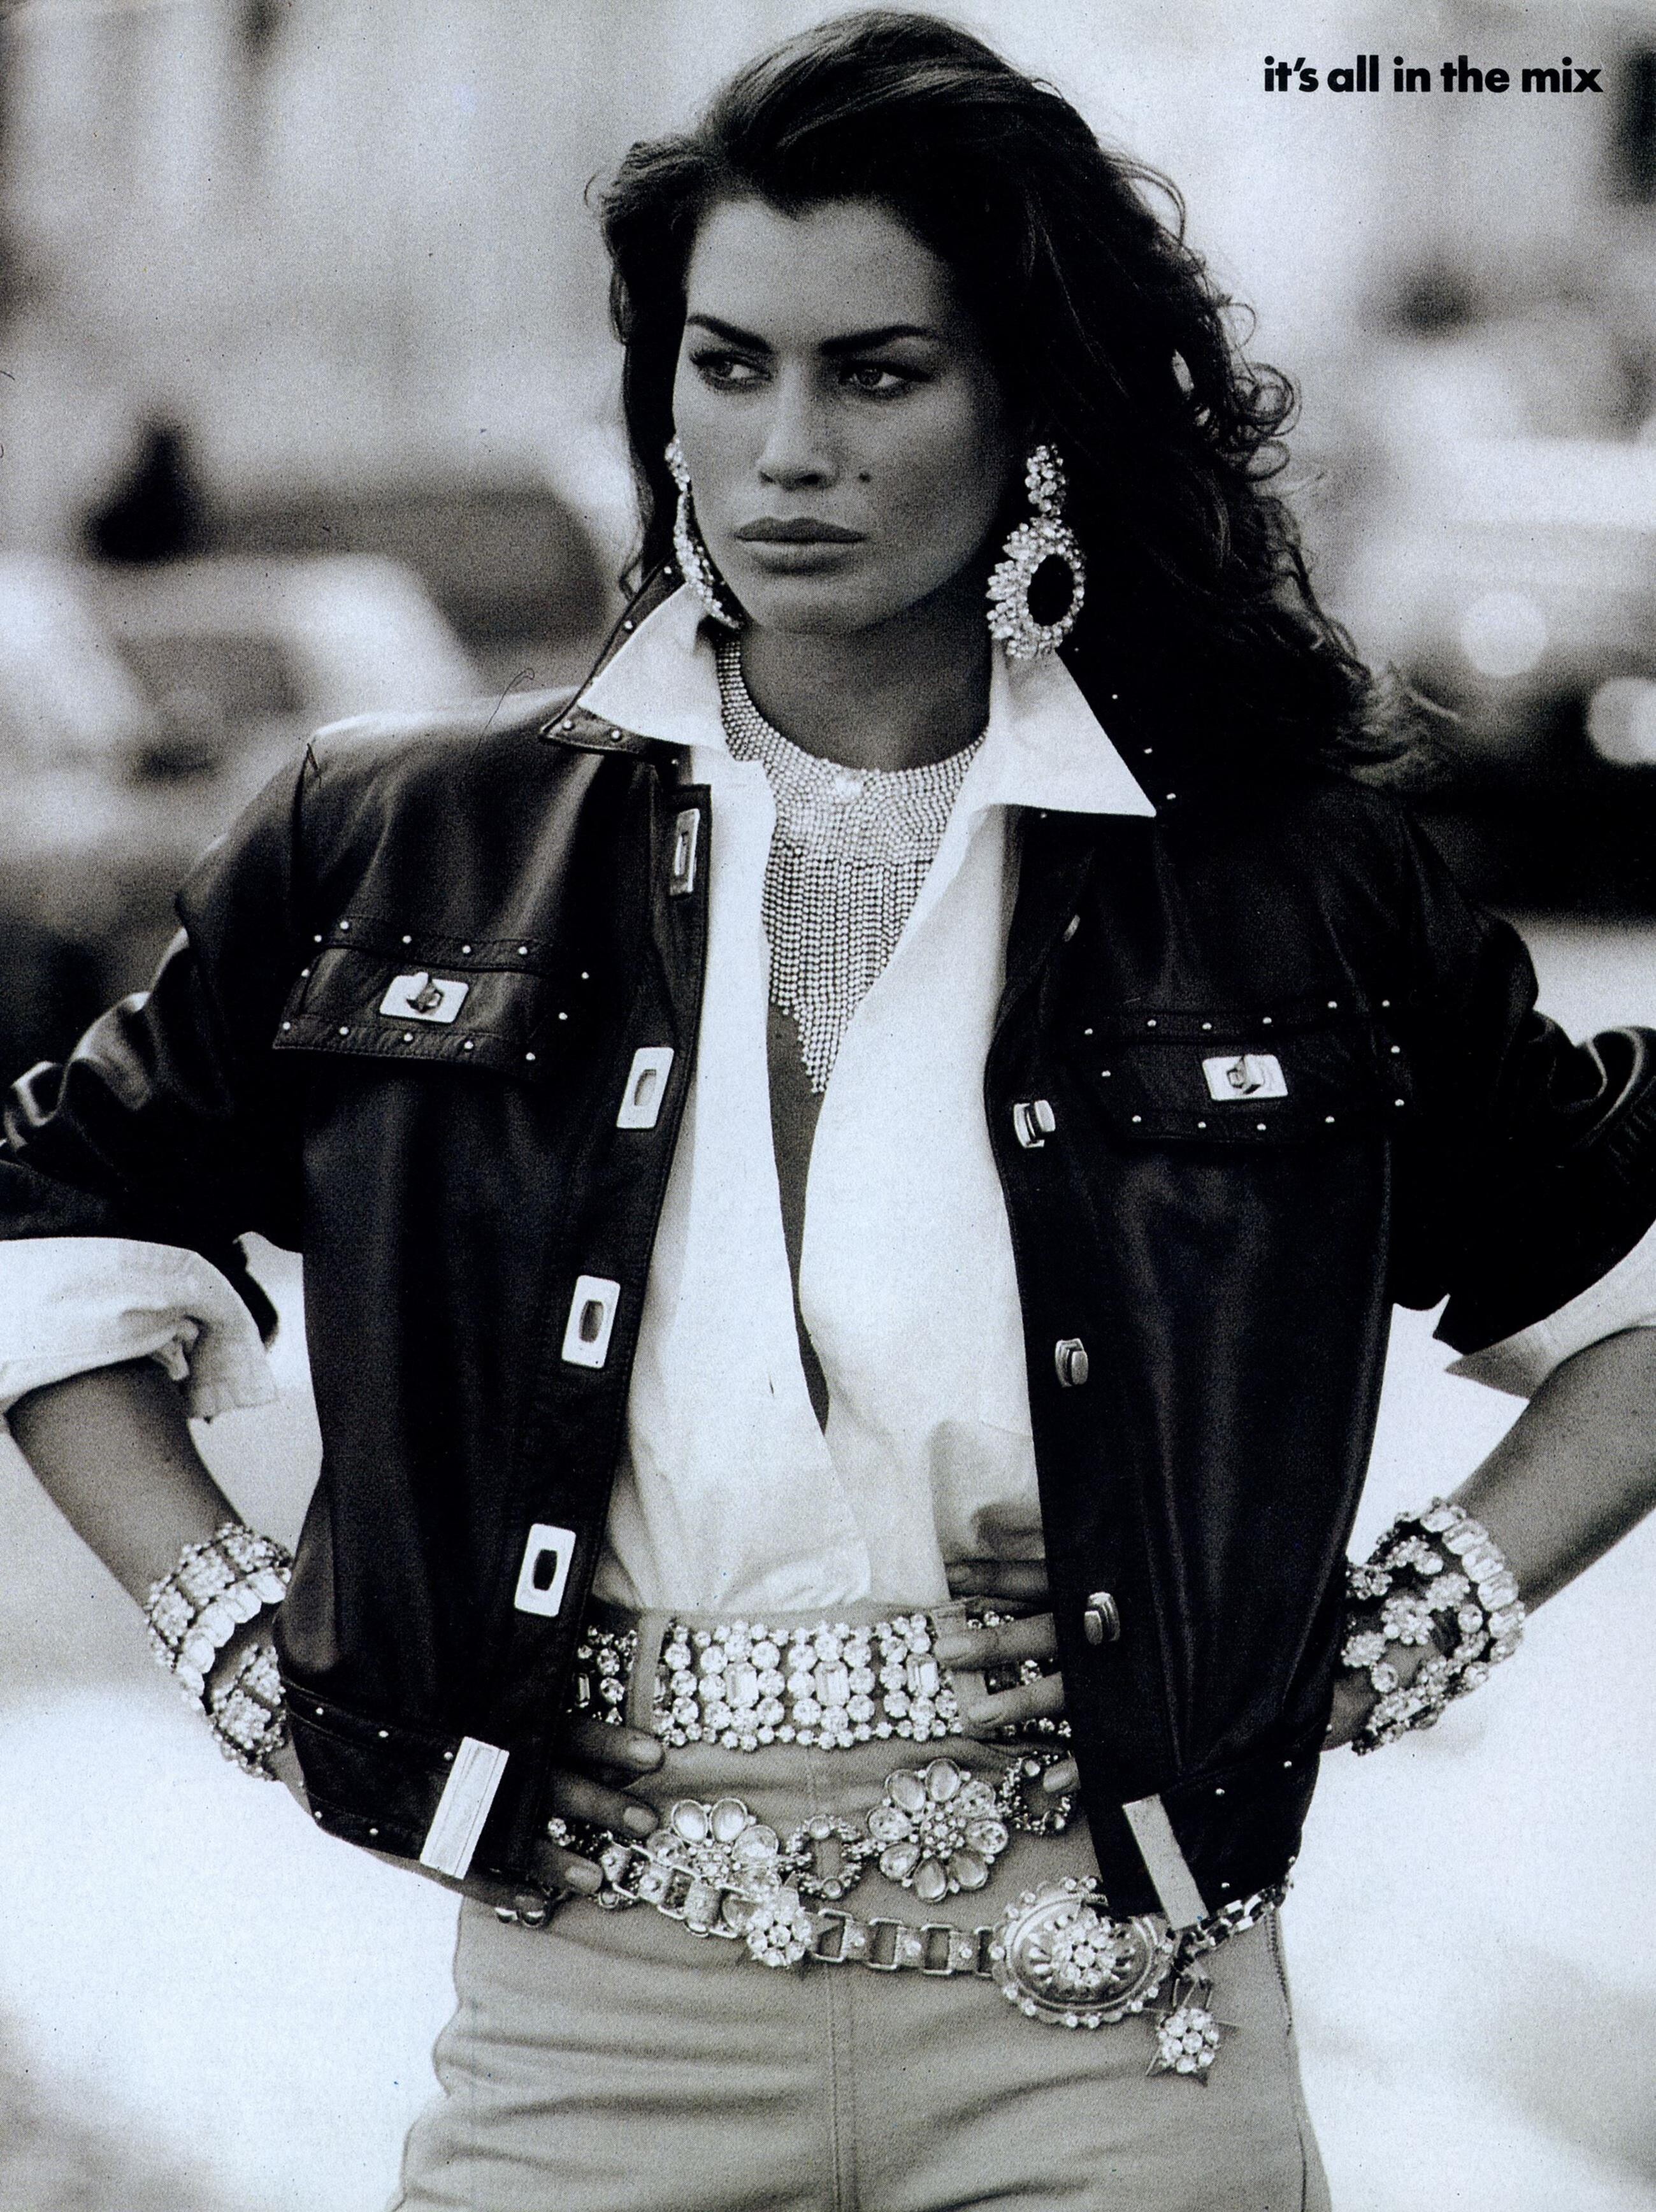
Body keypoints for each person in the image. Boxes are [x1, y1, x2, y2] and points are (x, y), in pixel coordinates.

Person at [4, 13, 1656, 2208]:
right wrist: (234, 1640)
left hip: (1114, 2002)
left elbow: (1629, 1303)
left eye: (879, 374)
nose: (787, 450)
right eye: (730, 367)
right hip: (592, 2006)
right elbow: (52, 1233)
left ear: (1030, 409)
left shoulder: (1282, 881)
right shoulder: (404, 840)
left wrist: (1383, 1633)